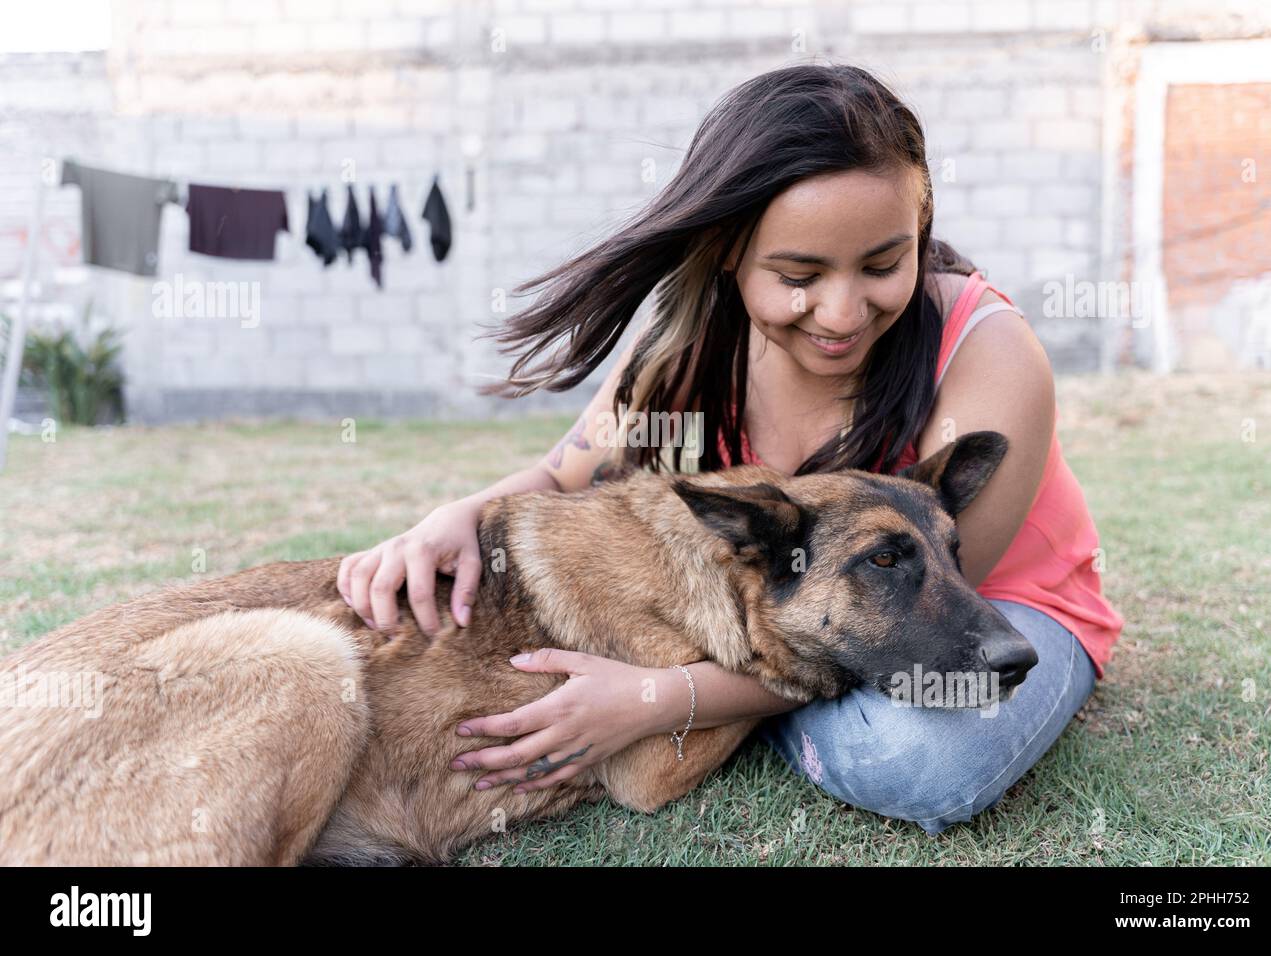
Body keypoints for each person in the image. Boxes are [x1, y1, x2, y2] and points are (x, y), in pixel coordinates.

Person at [336, 63, 1124, 835]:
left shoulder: (987, 349)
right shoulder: (686, 344)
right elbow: (563, 472)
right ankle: (756, 708)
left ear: (920, 233)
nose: (842, 312)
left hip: (979, 615)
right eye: (798, 275)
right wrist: (456, 516)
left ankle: (731, 718)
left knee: (917, 757)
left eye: (883, 264)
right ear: (726, 251)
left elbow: (936, 622)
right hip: (805, 621)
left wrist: (659, 700)